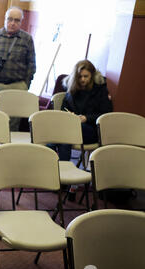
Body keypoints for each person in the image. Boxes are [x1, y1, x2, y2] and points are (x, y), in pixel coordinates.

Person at [56, 59, 113, 200]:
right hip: (71, 128)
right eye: (80, 76)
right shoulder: (71, 89)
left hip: (91, 129)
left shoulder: (100, 90)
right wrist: (68, 115)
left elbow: (105, 113)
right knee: (60, 137)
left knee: (61, 137)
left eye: (86, 76)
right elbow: (63, 109)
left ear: (92, 76)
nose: (82, 80)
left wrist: (86, 118)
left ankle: (61, 178)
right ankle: (61, 178)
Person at [0, 6, 36, 131]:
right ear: (5, 20)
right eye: (10, 19)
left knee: (12, 122)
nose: (12, 23)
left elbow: (31, 65)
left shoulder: (27, 39)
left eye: (17, 20)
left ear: (21, 22)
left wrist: (25, 85)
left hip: (17, 86)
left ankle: (8, 149)